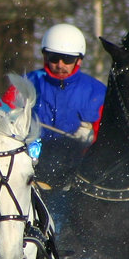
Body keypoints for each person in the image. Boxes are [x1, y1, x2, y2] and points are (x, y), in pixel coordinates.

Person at [24, 23, 106, 189]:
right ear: (46, 56)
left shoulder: (97, 92)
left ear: (79, 60)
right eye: (54, 58)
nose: (60, 64)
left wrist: (90, 142)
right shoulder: (26, 84)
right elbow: (2, 117)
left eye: (67, 59)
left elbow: (107, 139)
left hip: (77, 175)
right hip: (31, 170)